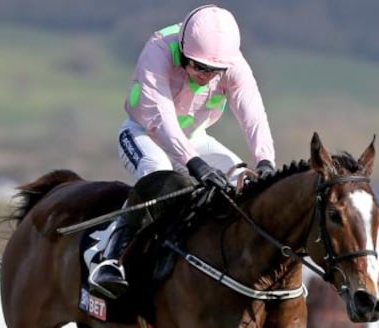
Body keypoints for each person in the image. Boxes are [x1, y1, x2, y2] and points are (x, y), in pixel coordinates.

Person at [89, 4, 277, 299]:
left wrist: (265, 160)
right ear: (184, 53)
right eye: (200, 68)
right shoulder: (158, 50)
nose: (206, 76)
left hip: (195, 138)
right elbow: (161, 120)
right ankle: (107, 260)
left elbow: (253, 115)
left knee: (241, 176)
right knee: (159, 175)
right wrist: (195, 164)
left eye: (215, 71)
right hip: (143, 133)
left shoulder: (233, 63)